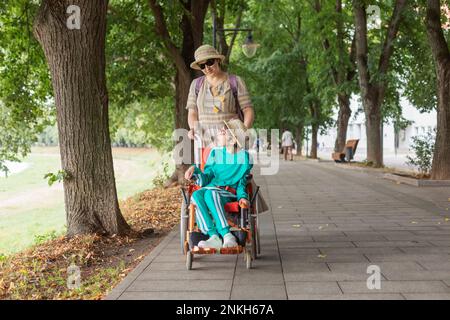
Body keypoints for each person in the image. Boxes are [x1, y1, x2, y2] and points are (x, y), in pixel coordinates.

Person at [184, 119, 252, 250]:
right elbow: (207, 177)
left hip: (227, 192)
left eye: (224, 131)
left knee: (210, 193)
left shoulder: (244, 158)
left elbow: (242, 183)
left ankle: (227, 234)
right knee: (196, 195)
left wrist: (242, 197)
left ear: (233, 139)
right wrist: (195, 170)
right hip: (211, 187)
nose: (220, 132)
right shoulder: (215, 153)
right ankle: (213, 236)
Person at [186, 44, 255, 147]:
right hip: (205, 144)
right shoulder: (196, 85)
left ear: (217, 60)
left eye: (209, 62)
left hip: (231, 143)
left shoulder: (235, 81)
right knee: (207, 164)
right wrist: (193, 128)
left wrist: (242, 134)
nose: (207, 68)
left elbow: (247, 110)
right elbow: (192, 112)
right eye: (202, 66)